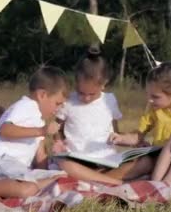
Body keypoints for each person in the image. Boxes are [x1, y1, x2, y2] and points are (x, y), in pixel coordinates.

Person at [0, 66, 68, 198]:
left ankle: (0, 192)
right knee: (28, 188)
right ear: (42, 95)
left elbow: (40, 158)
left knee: (62, 176)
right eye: (57, 103)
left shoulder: (38, 121)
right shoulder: (26, 106)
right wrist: (42, 130)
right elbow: (5, 130)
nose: (57, 109)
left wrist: (56, 160)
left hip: (16, 170)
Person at [52, 46, 153, 185]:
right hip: (78, 160)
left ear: (104, 84)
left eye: (91, 94)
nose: (86, 98)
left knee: (146, 162)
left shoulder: (109, 100)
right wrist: (58, 141)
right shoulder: (69, 101)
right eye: (81, 93)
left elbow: (116, 133)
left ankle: (96, 178)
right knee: (63, 163)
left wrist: (134, 142)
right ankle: (111, 180)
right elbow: (56, 128)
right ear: (76, 83)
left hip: (107, 160)